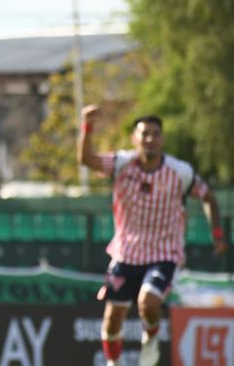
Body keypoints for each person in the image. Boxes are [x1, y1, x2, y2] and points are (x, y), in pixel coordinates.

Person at [78, 105, 228, 366]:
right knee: (113, 317)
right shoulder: (122, 165)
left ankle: (151, 336)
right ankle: (113, 363)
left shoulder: (179, 172)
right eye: (144, 134)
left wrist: (217, 233)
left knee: (147, 303)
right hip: (126, 253)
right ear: (134, 139)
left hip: (164, 253)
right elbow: (87, 160)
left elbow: (208, 197)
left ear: (162, 139)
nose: (150, 139)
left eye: (155, 134)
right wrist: (87, 127)